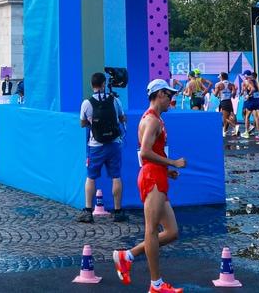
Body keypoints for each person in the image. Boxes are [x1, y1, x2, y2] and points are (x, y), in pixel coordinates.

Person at [114, 80, 186, 292]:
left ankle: (127, 256)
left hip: (157, 175)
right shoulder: (152, 121)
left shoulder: (156, 119)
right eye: (169, 95)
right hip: (152, 178)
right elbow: (145, 152)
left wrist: (166, 169)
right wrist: (172, 163)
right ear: (159, 94)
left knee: (172, 232)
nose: (171, 99)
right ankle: (156, 285)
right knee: (152, 231)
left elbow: (149, 154)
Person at [78, 71, 129, 222]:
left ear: (91, 85)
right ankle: (118, 211)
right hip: (114, 144)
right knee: (116, 176)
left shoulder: (87, 103)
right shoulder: (114, 100)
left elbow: (82, 124)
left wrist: (92, 123)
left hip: (96, 145)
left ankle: (88, 211)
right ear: (104, 84)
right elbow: (122, 118)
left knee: (91, 177)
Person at [240, 72, 259, 141]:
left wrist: (247, 95)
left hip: (250, 100)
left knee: (247, 115)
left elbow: (251, 89)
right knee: (258, 117)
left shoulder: (247, 82)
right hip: (257, 101)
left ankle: (248, 130)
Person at [213, 73, 237, 137]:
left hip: (223, 102)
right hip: (229, 101)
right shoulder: (231, 84)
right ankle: (225, 131)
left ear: (221, 77)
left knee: (225, 118)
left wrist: (213, 91)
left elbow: (215, 94)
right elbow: (234, 92)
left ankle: (235, 126)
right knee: (228, 116)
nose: (219, 78)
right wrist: (232, 95)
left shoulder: (218, 84)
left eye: (219, 77)